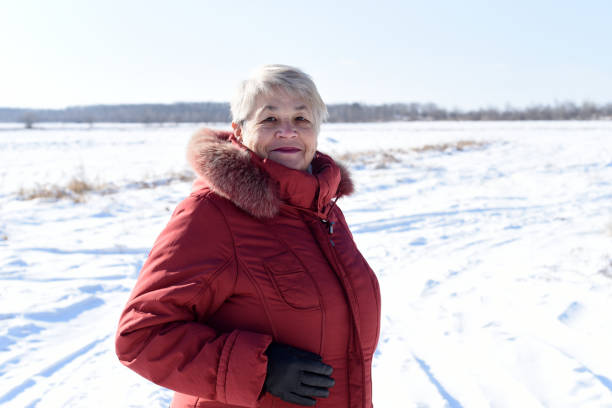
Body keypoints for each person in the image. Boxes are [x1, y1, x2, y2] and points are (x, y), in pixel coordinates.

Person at [115, 64, 381, 408]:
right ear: (239, 131)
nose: (287, 132)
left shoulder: (323, 213)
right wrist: (261, 369)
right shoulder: (211, 214)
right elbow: (141, 336)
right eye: (269, 119)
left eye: (301, 119)